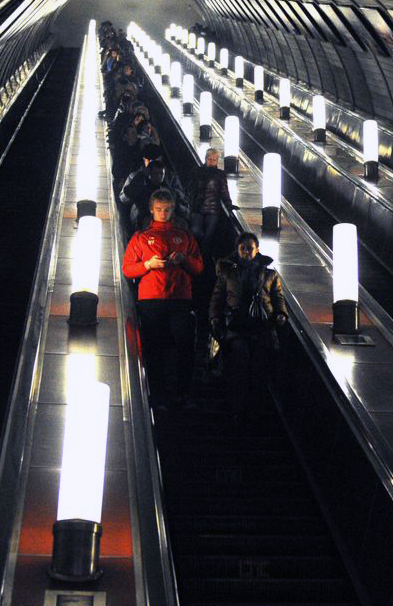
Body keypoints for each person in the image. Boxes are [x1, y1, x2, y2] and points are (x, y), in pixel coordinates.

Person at [123, 190, 204, 410]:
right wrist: (148, 265)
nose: (163, 213)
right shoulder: (140, 237)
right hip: (151, 299)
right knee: (154, 349)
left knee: (185, 347)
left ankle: (182, 395)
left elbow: (199, 267)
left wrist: (184, 259)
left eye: (167, 210)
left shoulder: (184, 236)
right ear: (151, 209)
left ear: (173, 209)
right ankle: (158, 397)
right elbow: (127, 269)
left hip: (180, 299)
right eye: (159, 209)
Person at [209, 232, 288, 415]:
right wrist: (214, 317)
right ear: (237, 250)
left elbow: (278, 296)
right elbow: (218, 296)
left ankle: (254, 407)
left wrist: (281, 313)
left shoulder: (269, 273)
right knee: (240, 361)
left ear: (257, 249)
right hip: (236, 325)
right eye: (242, 248)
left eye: (250, 248)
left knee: (258, 366)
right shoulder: (227, 271)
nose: (246, 251)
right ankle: (238, 406)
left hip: (262, 326)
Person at [188, 147, 235, 263]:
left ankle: (204, 260)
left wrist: (229, 204)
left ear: (217, 161)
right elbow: (191, 188)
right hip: (198, 208)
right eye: (210, 158)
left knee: (209, 237)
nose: (212, 161)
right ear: (205, 158)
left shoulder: (220, 175)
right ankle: (197, 256)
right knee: (196, 232)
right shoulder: (196, 171)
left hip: (213, 210)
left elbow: (224, 191)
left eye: (214, 159)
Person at [119, 153, 188, 229]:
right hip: (145, 217)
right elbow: (124, 197)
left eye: (161, 174)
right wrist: (140, 178)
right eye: (155, 174)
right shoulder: (137, 178)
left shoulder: (170, 179)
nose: (159, 176)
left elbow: (180, 200)